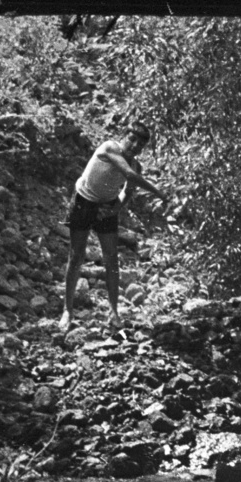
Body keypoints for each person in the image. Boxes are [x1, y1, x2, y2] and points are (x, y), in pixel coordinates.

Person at [58, 120, 168, 330]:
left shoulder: (136, 165)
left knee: (112, 259)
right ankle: (67, 310)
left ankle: (114, 312)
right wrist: (159, 193)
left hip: (106, 206)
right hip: (84, 201)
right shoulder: (110, 148)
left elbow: (128, 189)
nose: (134, 145)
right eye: (132, 139)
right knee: (76, 255)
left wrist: (116, 209)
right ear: (124, 136)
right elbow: (129, 175)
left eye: (139, 144)